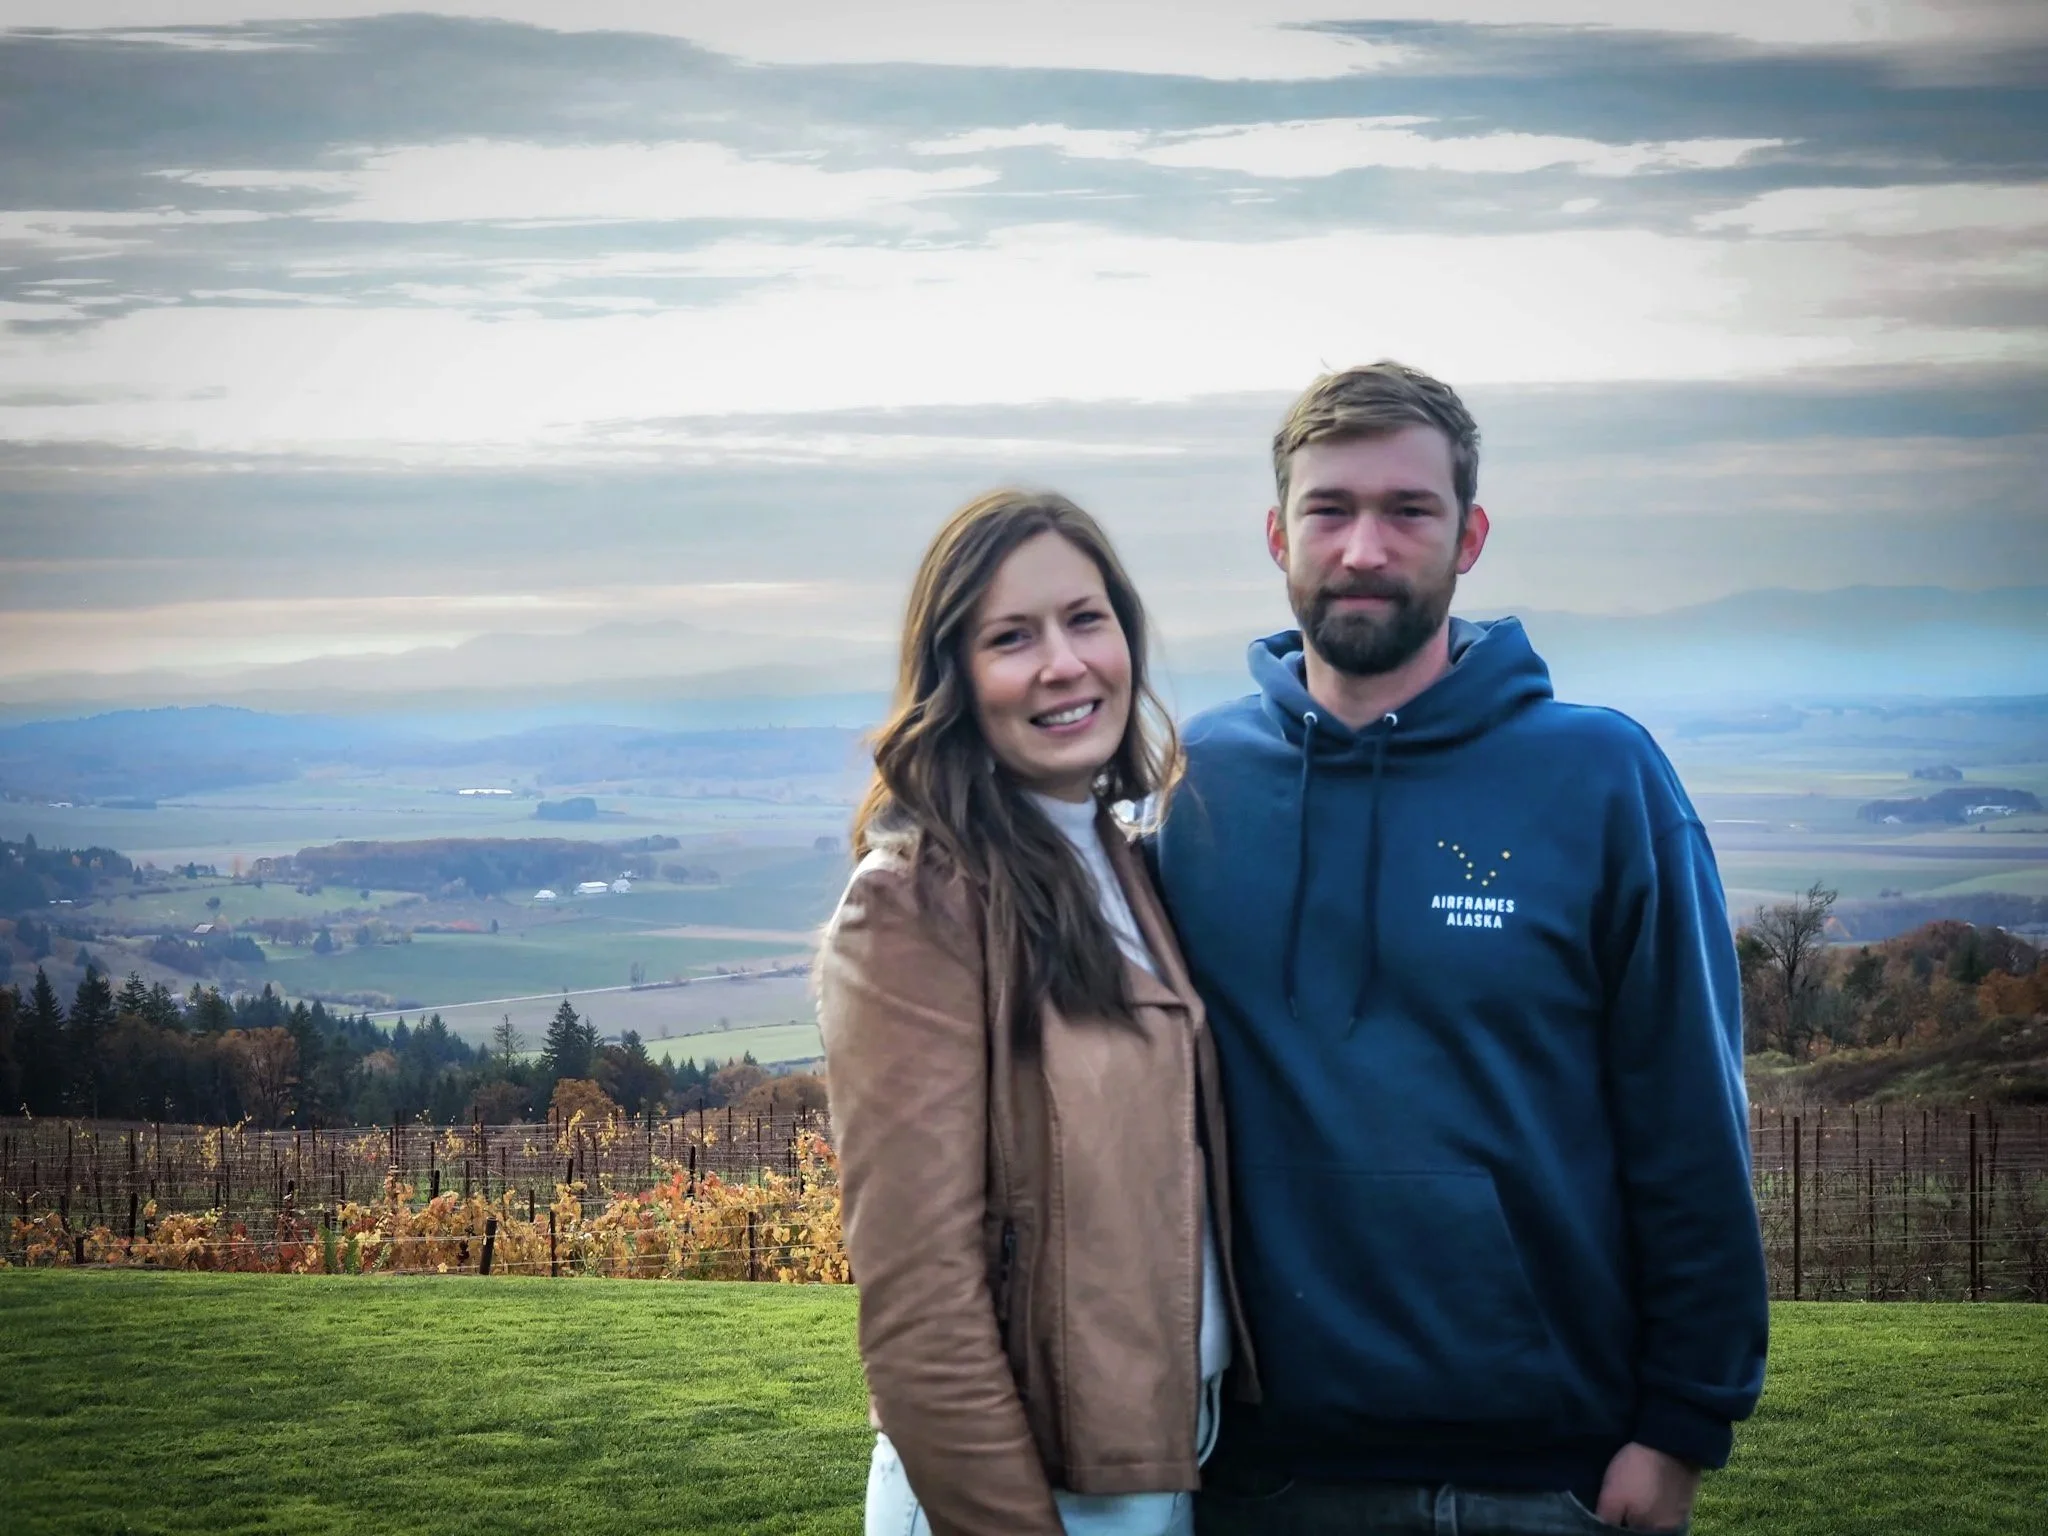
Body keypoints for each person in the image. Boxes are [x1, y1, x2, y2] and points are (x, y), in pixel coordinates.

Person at [1150, 363, 1769, 1536]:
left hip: (1548, 1475)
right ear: (1278, 534)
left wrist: (1682, 1423)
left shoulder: (1597, 780)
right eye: (1329, 510)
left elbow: (1687, 1113)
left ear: (1468, 537)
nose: (1364, 549)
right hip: (1261, 1476)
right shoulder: (1195, 790)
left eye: (1408, 510)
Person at [815, 489, 1252, 1536]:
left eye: (1084, 619)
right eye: (1011, 637)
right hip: (1021, 1492)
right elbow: (920, 1304)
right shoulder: (915, 905)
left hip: (1157, 1461)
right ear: (953, 678)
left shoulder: (1115, 859)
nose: (1063, 663)